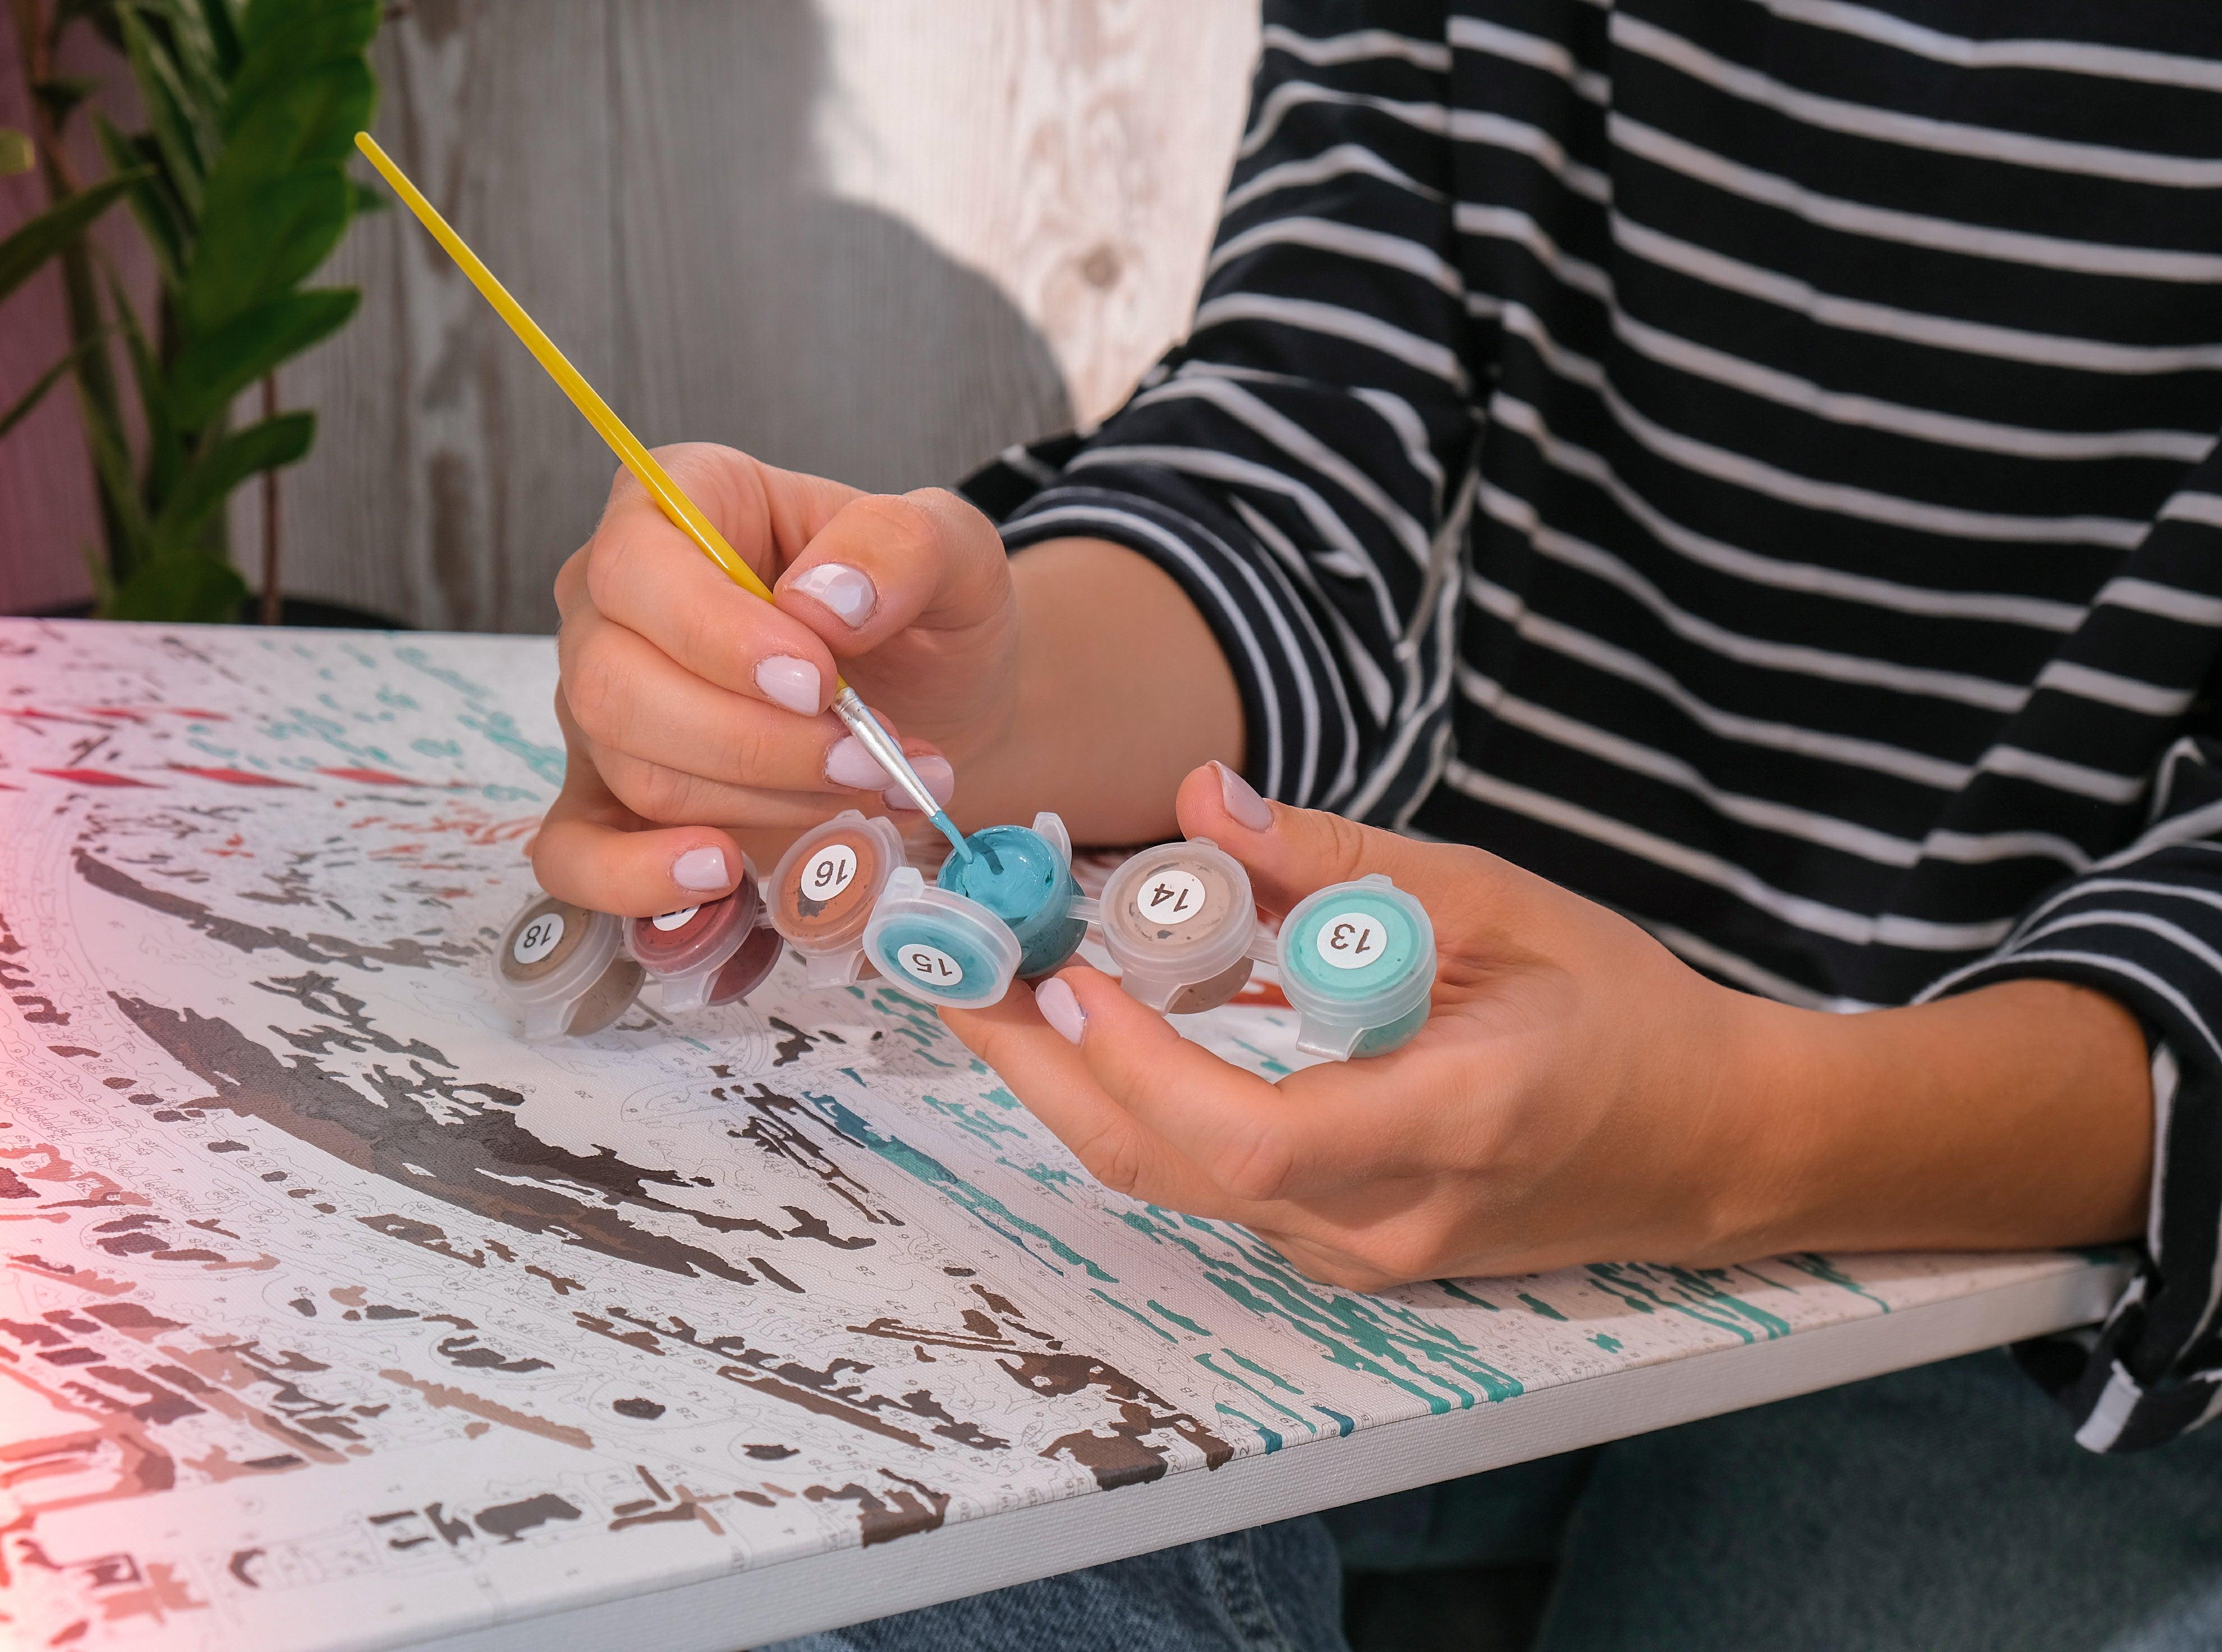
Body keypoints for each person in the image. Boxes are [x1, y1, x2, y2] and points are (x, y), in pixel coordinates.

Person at [530, 2, 2222, 1645]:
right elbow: (1315, 421)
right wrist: (977, 696)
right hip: (1356, 1152)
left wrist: (1736, 1142)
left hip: (2072, 1271)